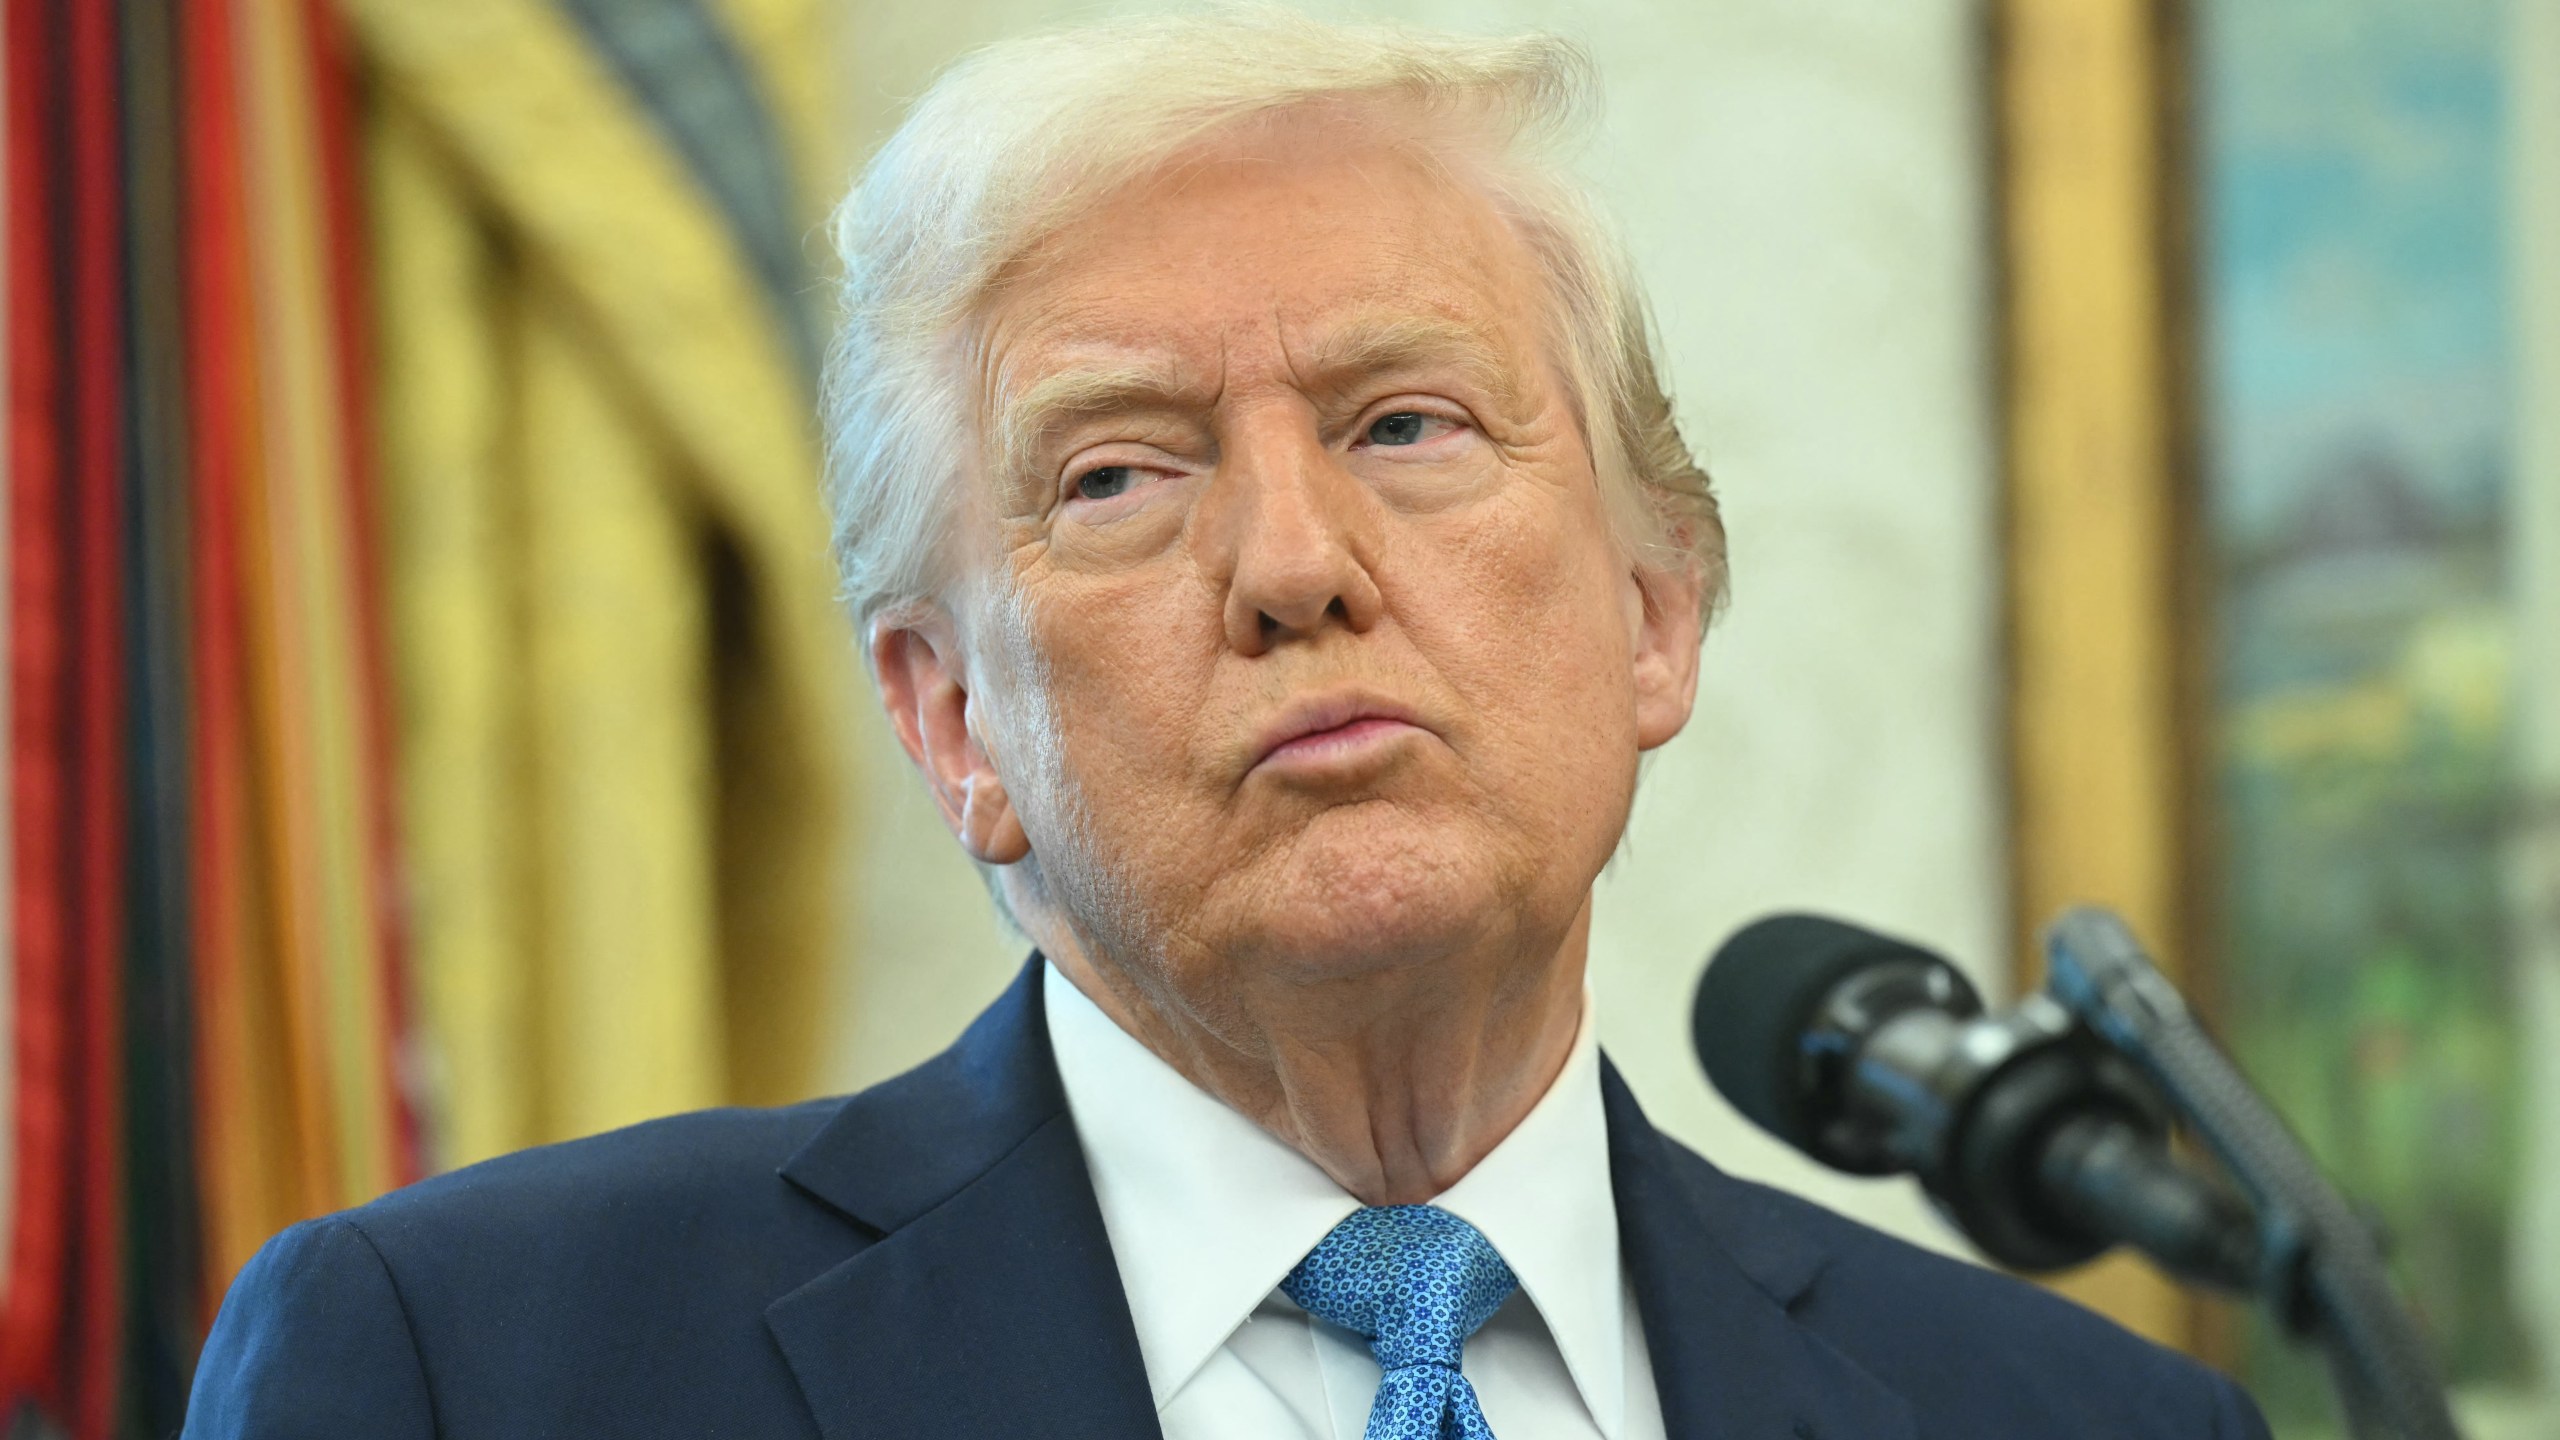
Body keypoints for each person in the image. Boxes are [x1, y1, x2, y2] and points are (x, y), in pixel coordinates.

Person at [184, 11, 2270, 1438]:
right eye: (1117, 475)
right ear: (950, 721)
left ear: (1654, 611)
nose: (1291, 562)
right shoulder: (482, 1367)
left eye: (1405, 424)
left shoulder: (2077, 1419)